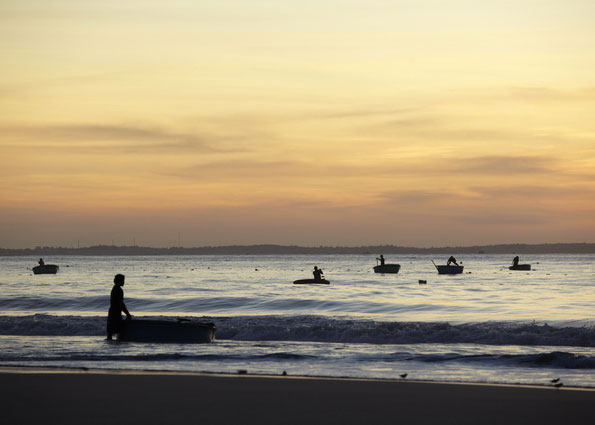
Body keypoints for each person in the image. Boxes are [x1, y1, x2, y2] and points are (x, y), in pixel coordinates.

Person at [106, 273, 131, 340]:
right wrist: (127, 313)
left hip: (113, 311)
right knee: (119, 329)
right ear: (119, 281)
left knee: (111, 331)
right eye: (122, 280)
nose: (124, 282)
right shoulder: (118, 290)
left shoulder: (115, 288)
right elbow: (121, 303)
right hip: (115, 312)